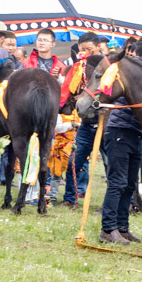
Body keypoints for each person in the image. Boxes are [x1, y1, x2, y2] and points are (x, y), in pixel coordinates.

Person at [100, 32, 142, 244]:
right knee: (117, 182)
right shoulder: (131, 70)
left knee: (130, 184)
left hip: (136, 133)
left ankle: (123, 228)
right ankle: (108, 229)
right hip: (120, 130)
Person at [63, 32, 107, 207]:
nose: (86, 53)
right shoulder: (78, 68)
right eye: (82, 50)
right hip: (86, 124)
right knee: (74, 161)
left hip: (106, 124)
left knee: (113, 166)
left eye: (89, 49)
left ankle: (126, 202)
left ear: (98, 47)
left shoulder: (110, 67)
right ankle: (69, 198)